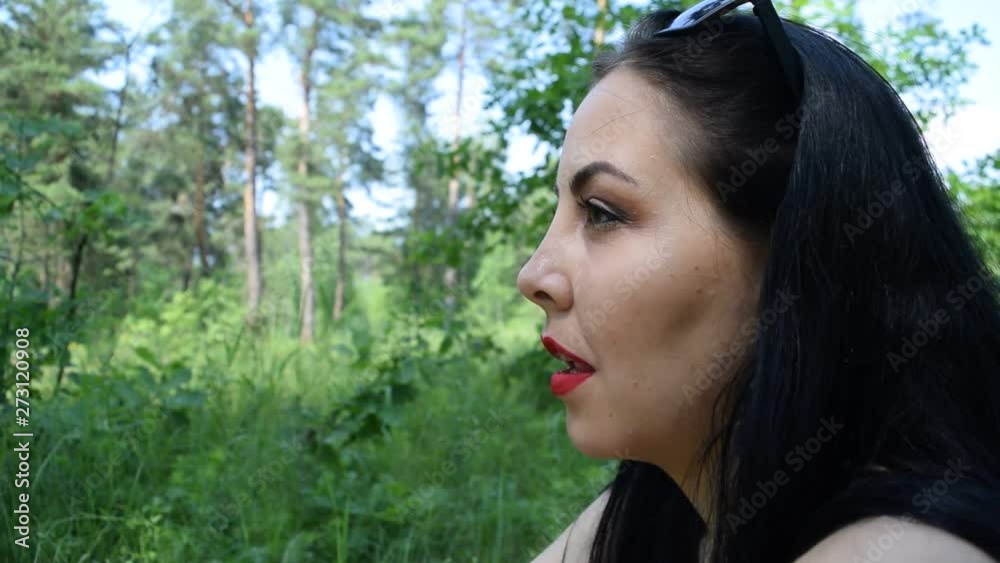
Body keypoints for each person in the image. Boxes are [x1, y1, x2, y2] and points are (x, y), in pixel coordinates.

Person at [515, 3, 1000, 562]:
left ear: (795, 251)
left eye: (602, 213)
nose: (533, 276)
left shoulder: (901, 552)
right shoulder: (661, 505)